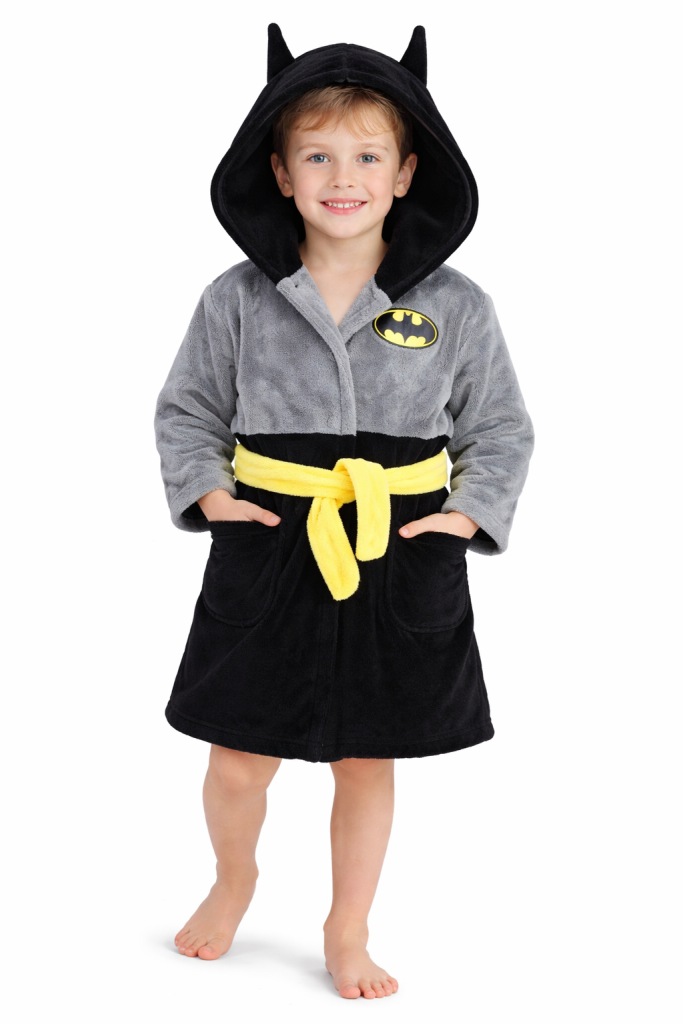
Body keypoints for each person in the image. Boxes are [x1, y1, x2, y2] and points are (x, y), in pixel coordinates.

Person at [154, 24, 534, 1000]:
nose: (342, 177)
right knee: (239, 758)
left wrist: (465, 516)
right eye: (316, 156)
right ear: (279, 173)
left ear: (406, 174)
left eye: (367, 157)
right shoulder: (236, 300)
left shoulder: (456, 306)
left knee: (367, 760)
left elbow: (497, 426)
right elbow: (187, 409)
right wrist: (210, 494)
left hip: (395, 548)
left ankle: (346, 926)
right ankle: (233, 877)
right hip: (269, 541)